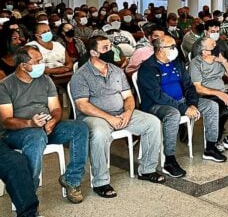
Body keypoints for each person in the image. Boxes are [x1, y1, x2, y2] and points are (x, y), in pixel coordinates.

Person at [71, 36, 165, 198]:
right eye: (105, 48)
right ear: (94, 53)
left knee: (152, 123)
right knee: (100, 134)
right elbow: (82, 105)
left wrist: (128, 113)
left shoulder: (116, 71)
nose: (111, 51)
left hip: (121, 113)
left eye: (111, 47)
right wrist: (109, 118)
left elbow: (128, 97)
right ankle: (100, 181)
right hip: (94, 116)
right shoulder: (81, 75)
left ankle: (147, 170)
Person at [0, 46, 89, 203]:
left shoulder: (45, 80)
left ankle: (72, 180)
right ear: (23, 65)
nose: (41, 64)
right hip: (15, 133)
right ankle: (28, 194)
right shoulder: (4, 87)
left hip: (44, 128)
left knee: (79, 128)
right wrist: (30, 122)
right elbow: (6, 121)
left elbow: (56, 108)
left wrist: (53, 121)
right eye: (37, 61)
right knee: (35, 136)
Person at [137, 36, 225, 178]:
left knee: (211, 105)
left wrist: (192, 104)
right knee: (173, 114)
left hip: (182, 101)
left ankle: (210, 147)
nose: (175, 49)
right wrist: (184, 108)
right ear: (160, 50)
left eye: (175, 46)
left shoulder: (176, 62)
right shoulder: (148, 68)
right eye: (171, 47)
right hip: (156, 105)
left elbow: (189, 86)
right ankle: (169, 160)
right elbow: (157, 96)